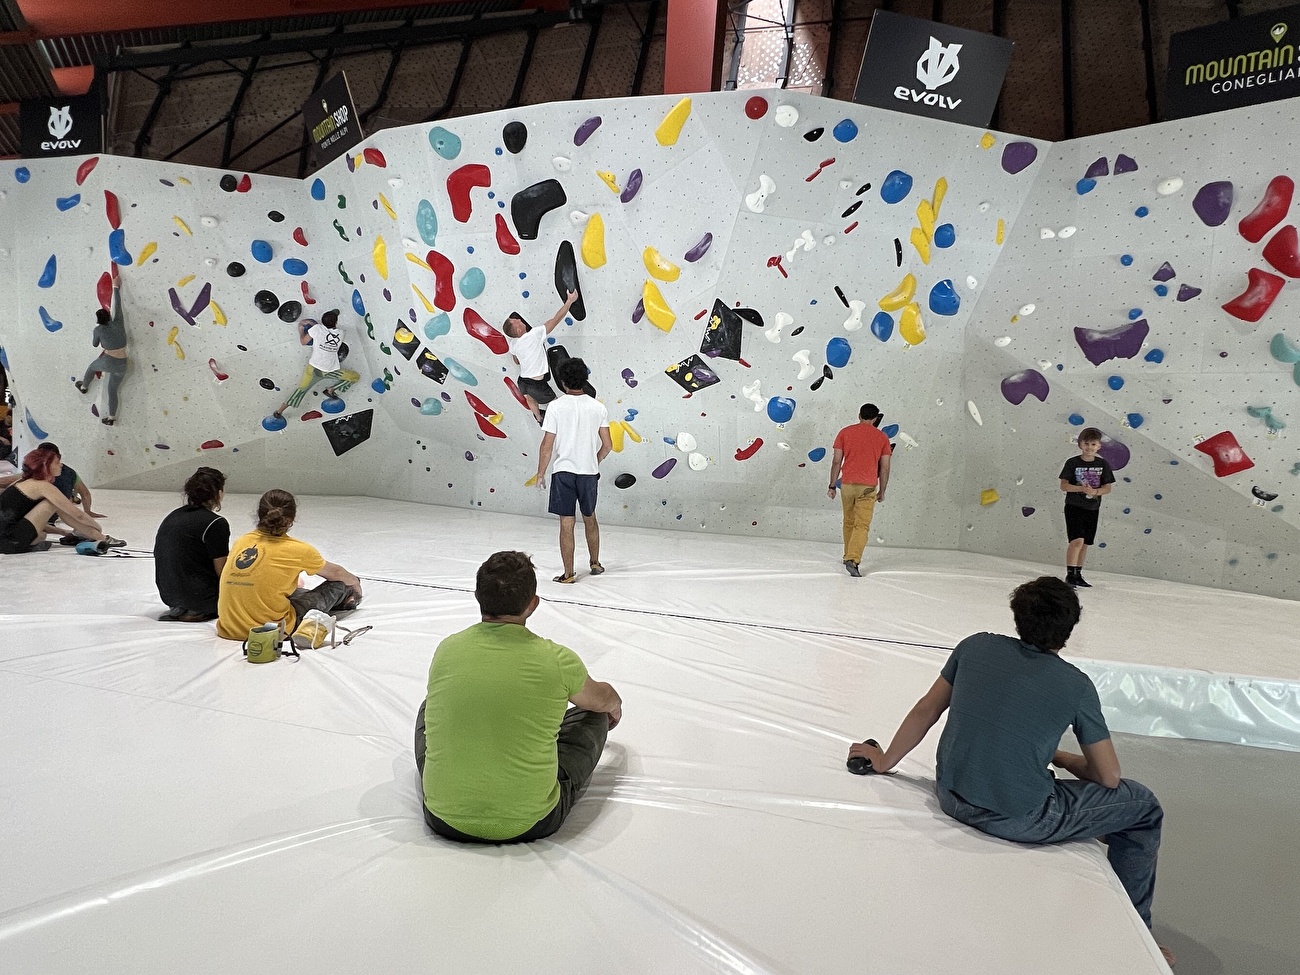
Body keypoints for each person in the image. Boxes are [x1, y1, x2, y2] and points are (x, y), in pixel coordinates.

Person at [847, 576, 1173, 967]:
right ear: (1068, 631)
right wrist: (1063, 758)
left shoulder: (975, 646)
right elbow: (1108, 778)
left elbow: (926, 711)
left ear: (1017, 617)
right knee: (1143, 807)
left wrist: (884, 762)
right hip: (1021, 817)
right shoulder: (1076, 685)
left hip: (952, 795)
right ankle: (1137, 937)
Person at [415, 550, 622, 843]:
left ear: (478, 597)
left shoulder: (447, 649)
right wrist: (614, 707)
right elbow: (604, 700)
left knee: (429, 708)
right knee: (595, 713)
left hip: (443, 817)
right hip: (533, 820)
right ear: (532, 604)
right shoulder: (558, 660)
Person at [216, 489, 362, 641]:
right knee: (341, 584)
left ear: (260, 514)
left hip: (228, 628)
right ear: (292, 519)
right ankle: (348, 601)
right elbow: (337, 573)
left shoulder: (242, 541)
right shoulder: (299, 550)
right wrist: (355, 582)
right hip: (272, 630)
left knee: (294, 590)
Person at [534, 357, 612, 584]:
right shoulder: (599, 408)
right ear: (585, 379)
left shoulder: (556, 407)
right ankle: (595, 563)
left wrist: (540, 473)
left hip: (563, 472)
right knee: (590, 517)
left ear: (563, 382)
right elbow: (608, 446)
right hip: (588, 473)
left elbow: (546, 446)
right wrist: (593, 461)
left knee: (566, 523)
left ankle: (568, 574)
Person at [0, 445, 113, 554]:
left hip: (5, 538)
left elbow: (19, 520)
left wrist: (62, 532)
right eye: (57, 462)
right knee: (52, 503)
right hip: (9, 541)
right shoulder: (42, 486)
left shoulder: (22, 481)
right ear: (46, 466)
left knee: (42, 535)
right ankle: (98, 537)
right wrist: (98, 529)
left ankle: (30, 544)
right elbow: (77, 514)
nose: (61, 465)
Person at [155, 467, 230, 622]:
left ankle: (184, 607)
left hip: (170, 596)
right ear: (219, 494)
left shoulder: (173, 516)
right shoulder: (216, 523)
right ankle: (199, 608)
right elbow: (222, 571)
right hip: (202, 599)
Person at [826, 403, 893, 577]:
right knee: (861, 524)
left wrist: (832, 485)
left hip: (847, 484)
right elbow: (885, 468)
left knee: (848, 520)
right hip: (868, 487)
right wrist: (882, 490)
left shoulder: (844, 432)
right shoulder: (882, 438)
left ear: (859, 415)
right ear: (876, 418)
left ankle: (847, 553)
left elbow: (836, 462)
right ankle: (853, 559)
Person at [503, 290, 579, 424]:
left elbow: (516, 361)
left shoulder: (513, 344)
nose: (520, 320)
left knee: (530, 399)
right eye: (517, 321)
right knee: (555, 402)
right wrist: (570, 301)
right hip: (537, 384)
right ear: (519, 330)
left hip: (523, 381)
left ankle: (539, 418)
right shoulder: (534, 335)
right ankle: (567, 420)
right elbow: (555, 320)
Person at [273, 309, 360, 420]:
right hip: (330, 371)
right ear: (336, 322)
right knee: (354, 377)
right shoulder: (341, 333)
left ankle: (279, 411)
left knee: (300, 390)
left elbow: (303, 342)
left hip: (313, 369)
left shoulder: (317, 329)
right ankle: (332, 389)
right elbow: (327, 329)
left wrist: (301, 330)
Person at [1059, 427, 1114, 588]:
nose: (1089, 447)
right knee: (1077, 540)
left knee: (1085, 543)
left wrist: (1095, 491)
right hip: (1074, 506)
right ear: (1080, 444)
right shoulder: (1073, 463)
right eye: (1086, 443)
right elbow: (1064, 486)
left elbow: (1107, 488)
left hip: (1092, 507)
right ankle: (1070, 574)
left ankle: (1078, 573)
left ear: (1099, 446)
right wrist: (1081, 489)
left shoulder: (1102, 464)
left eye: (1093, 444)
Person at [75, 266, 128, 425]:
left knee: (92, 367)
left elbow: (94, 344)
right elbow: (117, 304)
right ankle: (111, 418)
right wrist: (116, 287)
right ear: (109, 316)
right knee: (112, 390)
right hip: (122, 363)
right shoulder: (118, 322)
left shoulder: (98, 330)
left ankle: (84, 386)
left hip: (109, 360)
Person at [35, 442, 106, 541]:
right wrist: (88, 511)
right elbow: (84, 493)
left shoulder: (36, 472)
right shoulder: (70, 473)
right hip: (57, 514)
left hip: (40, 516)